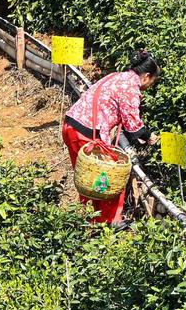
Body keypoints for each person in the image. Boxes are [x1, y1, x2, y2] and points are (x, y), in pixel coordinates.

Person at [61, 53, 160, 226]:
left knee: (88, 177)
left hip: (71, 126)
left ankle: (89, 219)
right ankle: (109, 221)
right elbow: (133, 126)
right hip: (88, 133)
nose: (150, 85)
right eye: (153, 81)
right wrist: (149, 136)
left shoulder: (116, 76)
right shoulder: (130, 87)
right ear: (146, 76)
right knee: (111, 178)